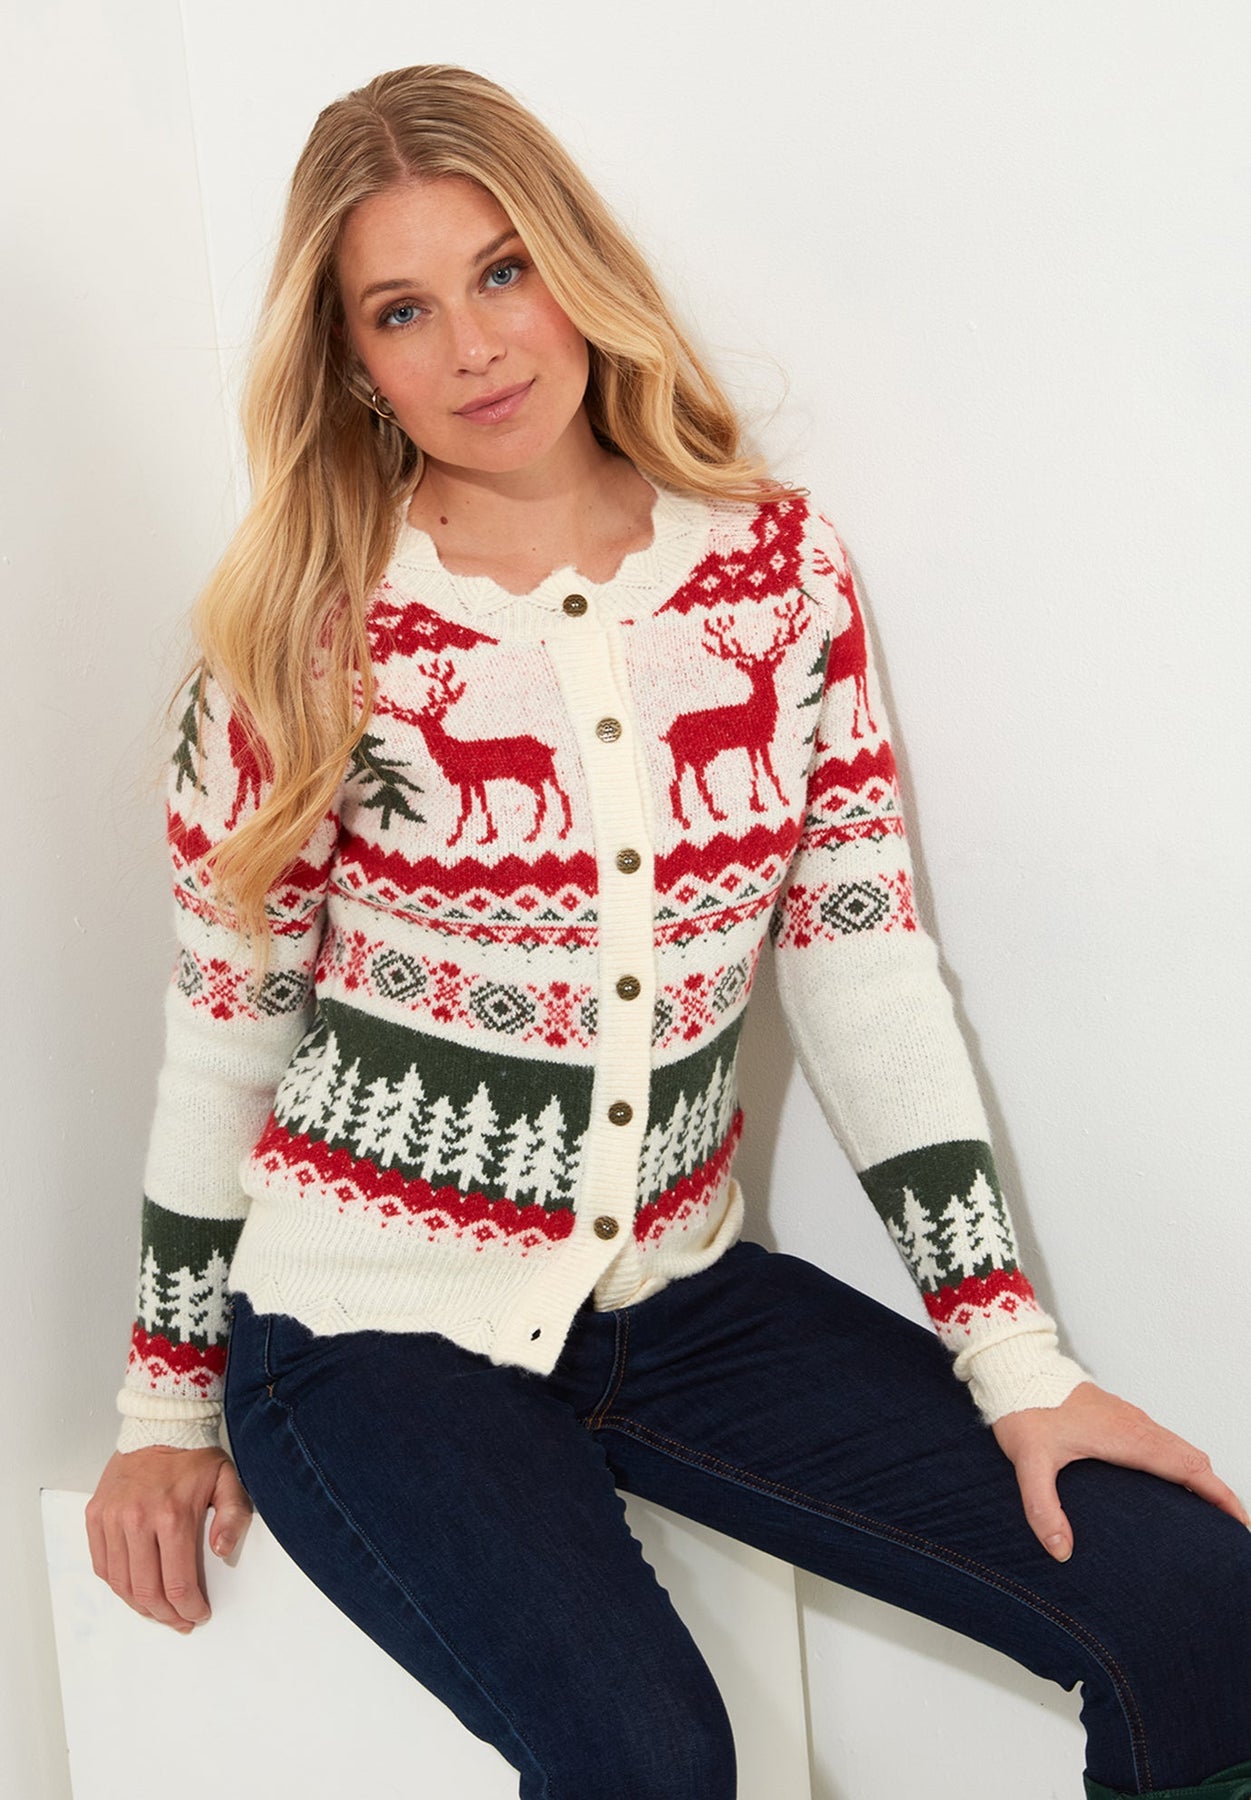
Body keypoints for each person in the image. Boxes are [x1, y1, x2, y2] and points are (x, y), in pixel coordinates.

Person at [85, 62, 1251, 1800]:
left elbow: (862, 971)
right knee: (647, 1756)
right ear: (350, 360)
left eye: (503, 271)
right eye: (403, 310)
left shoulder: (777, 574)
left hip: (681, 1302)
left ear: (576, 266)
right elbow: (225, 1040)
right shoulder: (303, 633)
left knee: (1197, 1600)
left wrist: (1018, 1364)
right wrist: (166, 1408)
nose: (476, 347)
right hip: (361, 1333)